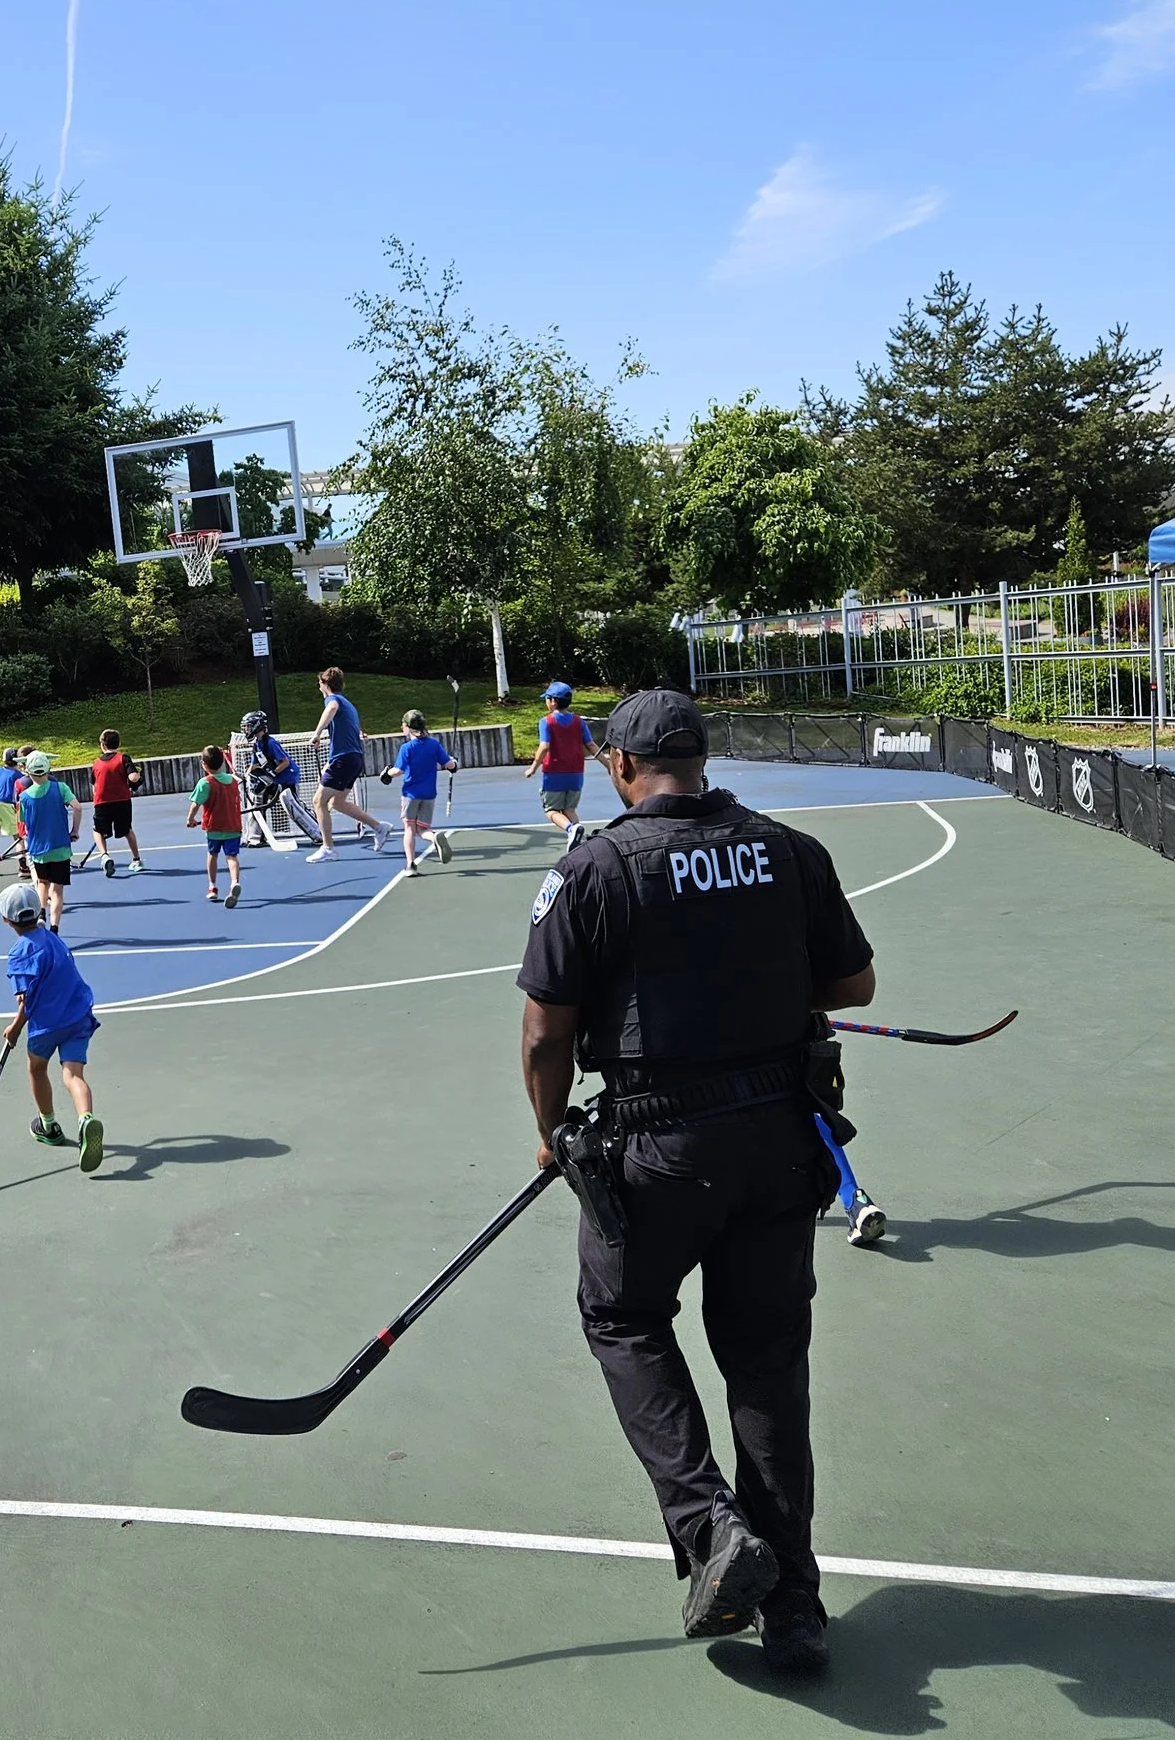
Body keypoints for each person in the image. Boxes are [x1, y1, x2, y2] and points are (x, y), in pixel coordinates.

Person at [515, 688, 875, 1675]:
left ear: (622, 767)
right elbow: (851, 986)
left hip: (655, 1145)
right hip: (775, 1141)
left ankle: (711, 1530)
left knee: (623, 1318)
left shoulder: (594, 866)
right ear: (702, 761)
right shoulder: (788, 851)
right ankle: (794, 1606)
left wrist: (550, 1133)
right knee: (765, 1364)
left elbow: (548, 1029)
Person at [0, 880, 102, 1173]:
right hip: (78, 1014)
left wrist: (16, 1026)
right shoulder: (51, 936)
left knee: (37, 1069)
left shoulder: (20, 953)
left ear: (6, 920)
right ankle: (86, 1120)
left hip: (48, 1024)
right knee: (73, 1075)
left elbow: (26, 998)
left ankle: (49, 1126)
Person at [305, 666, 385, 862]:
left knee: (318, 801)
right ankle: (379, 827)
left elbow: (331, 708)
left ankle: (328, 848)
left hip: (344, 758)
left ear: (325, 685)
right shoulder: (348, 704)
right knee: (337, 802)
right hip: (353, 758)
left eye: (320, 684)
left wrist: (316, 734)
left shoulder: (333, 700)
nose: (319, 688)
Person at [15, 749, 82, 931]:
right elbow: (77, 807)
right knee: (58, 889)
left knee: (42, 883)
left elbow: (22, 824)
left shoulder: (24, 797)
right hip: (60, 847)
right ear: (48, 768)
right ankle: (55, 928)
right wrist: (74, 831)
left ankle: (41, 913)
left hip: (38, 849)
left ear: (27, 771)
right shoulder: (61, 788)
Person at [526, 681, 597, 848]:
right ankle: (580, 843)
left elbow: (544, 746)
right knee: (569, 809)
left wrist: (533, 767)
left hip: (554, 774)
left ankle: (571, 829)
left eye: (547, 698)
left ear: (552, 701)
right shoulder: (579, 722)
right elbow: (591, 745)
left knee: (551, 811)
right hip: (576, 774)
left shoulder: (547, 721)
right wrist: (609, 765)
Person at [389, 709, 458, 874]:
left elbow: (398, 770)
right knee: (423, 829)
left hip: (411, 794)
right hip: (429, 794)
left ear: (408, 727)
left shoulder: (407, 748)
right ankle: (433, 838)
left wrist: (387, 773)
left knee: (409, 829)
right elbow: (448, 764)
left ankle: (411, 865)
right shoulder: (433, 744)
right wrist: (454, 764)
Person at [238, 710, 320, 845]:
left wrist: (271, 775)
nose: (246, 730)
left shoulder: (270, 743)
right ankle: (255, 837)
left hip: (287, 779)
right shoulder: (257, 745)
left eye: (248, 726)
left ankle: (318, 833)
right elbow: (254, 764)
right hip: (275, 780)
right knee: (257, 799)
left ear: (257, 726)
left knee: (292, 806)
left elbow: (285, 762)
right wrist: (246, 777)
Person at [185, 745, 244, 906]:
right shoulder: (232, 781)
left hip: (215, 828)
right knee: (231, 856)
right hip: (233, 826)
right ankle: (234, 882)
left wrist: (190, 818)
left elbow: (196, 803)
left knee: (213, 854)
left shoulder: (205, 783)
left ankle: (212, 887)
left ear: (204, 764)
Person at [86, 729, 146, 878]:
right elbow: (132, 777)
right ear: (119, 743)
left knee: (98, 830)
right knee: (127, 830)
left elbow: (94, 785)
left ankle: (104, 855)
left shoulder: (96, 763)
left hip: (102, 802)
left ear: (102, 745)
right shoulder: (123, 758)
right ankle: (136, 860)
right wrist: (137, 776)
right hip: (122, 800)